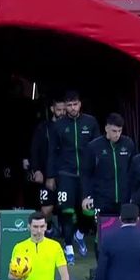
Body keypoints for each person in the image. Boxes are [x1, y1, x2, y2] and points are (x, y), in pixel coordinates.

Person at [46, 90, 100, 264]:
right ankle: (68, 247)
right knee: (67, 211)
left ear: (80, 104)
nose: (72, 108)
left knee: (89, 212)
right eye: (68, 105)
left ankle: (80, 234)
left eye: (75, 104)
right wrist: (51, 176)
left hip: (87, 175)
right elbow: (52, 152)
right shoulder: (58, 125)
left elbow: (98, 149)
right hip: (66, 174)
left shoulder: (91, 122)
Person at [81, 113, 136, 218]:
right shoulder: (94, 147)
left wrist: (132, 194)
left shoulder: (128, 144)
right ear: (106, 128)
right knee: (104, 231)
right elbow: (86, 174)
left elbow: (132, 171)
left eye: (120, 131)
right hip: (102, 198)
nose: (117, 134)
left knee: (122, 231)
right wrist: (86, 196)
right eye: (114, 131)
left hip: (123, 198)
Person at [29, 97, 66, 220]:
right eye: (59, 110)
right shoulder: (43, 127)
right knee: (46, 207)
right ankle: (47, 230)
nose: (62, 113)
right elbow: (35, 150)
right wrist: (37, 170)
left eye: (64, 110)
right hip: (46, 173)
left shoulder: (70, 127)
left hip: (66, 173)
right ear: (52, 109)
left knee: (67, 207)